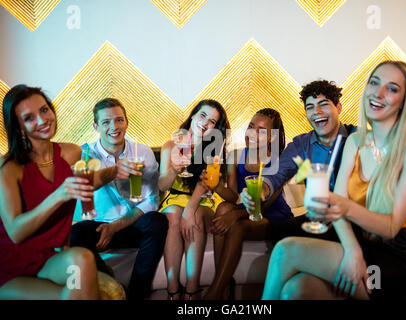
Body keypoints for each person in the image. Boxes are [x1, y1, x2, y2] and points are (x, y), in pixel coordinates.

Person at [262, 61, 406, 300]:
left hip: (398, 255)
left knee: (284, 253)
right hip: (356, 243)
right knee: (295, 290)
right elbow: (336, 209)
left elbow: (391, 225)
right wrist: (352, 251)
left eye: (392, 88)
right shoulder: (355, 142)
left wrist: (338, 205)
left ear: (405, 100)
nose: (378, 93)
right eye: (374, 83)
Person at [0, 85, 128, 299]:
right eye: (29, 117)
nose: (42, 120)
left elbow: (86, 182)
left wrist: (115, 171)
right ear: (18, 126)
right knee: (78, 294)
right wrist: (58, 196)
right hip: (11, 266)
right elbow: (15, 231)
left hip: (49, 259)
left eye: (44, 110)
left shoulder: (70, 152)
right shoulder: (8, 168)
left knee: (83, 258)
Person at [70, 98, 168, 300]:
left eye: (119, 120)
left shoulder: (143, 152)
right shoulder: (85, 154)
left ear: (126, 122)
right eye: (106, 122)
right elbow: (79, 194)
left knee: (157, 220)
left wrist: (115, 226)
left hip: (131, 224)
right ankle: (113, 289)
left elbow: (151, 201)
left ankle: (137, 295)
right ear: (96, 126)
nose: (114, 127)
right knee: (75, 234)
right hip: (98, 227)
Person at [241, 80, 356, 243]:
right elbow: (278, 173)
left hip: (353, 220)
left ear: (338, 108)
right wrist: (263, 190)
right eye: (310, 107)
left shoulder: (358, 139)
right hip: (316, 218)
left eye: (323, 104)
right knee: (278, 234)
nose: (316, 112)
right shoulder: (301, 145)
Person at [203, 108, 293, 300]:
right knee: (222, 208)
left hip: (272, 217)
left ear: (271, 138)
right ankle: (224, 284)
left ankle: (214, 293)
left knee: (236, 226)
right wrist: (216, 185)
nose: (252, 133)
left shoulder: (278, 162)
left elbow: (265, 206)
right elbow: (232, 196)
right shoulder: (236, 157)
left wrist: (234, 215)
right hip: (247, 211)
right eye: (251, 126)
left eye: (261, 131)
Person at [158, 99, 232, 300]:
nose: (205, 123)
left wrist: (189, 211)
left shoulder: (213, 149)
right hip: (175, 198)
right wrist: (174, 169)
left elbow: (205, 184)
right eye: (202, 116)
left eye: (212, 122)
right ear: (192, 115)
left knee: (196, 215)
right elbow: (163, 186)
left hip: (203, 200)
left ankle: (192, 289)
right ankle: (173, 290)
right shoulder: (171, 145)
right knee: (173, 215)